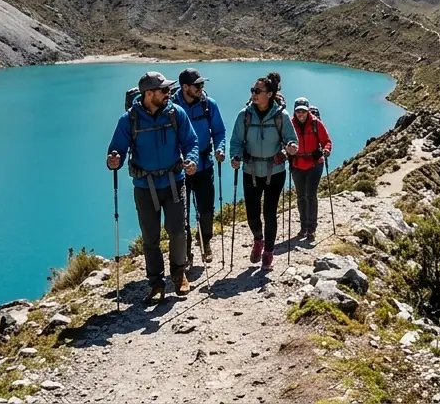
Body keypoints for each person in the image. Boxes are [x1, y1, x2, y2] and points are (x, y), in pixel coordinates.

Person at [107, 71, 200, 301]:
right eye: (165, 90)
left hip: (173, 181)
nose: (170, 94)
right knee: (150, 237)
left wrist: (192, 160)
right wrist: (113, 160)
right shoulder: (129, 120)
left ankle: (179, 276)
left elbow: (191, 141)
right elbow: (116, 148)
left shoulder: (175, 114)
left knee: (178, 231)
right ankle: (156, 282)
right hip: (144, 185)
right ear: (149, 94)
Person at [229, 74, 297, 268]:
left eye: (258, 91)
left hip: (274, 171)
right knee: (252, 213)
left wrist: (288, 149)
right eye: (253, 90)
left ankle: (268, 250)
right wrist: (236, 156)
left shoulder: (281, 116)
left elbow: (291, 139)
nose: (254, 94)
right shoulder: (245, 115)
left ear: (269, 94)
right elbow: (236, 141)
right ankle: (258, 239)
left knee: (270, 212)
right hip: (250, 170)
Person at [173, 68, 226, 264]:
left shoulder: (208, 105)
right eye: (198, 85)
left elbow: (219, 131)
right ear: (185, 87)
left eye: (202, 84)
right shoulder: (172, 107)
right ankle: (186, 251)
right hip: (180, 169)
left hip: (204, 165)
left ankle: (205, 242)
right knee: (182, 213)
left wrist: (220, 149)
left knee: (206, 209)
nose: (201, 88)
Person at [288, 97, 332, 246]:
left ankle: (311, 228)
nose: (301, 114)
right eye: (298, 111)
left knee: (310, 195)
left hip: (314, 164)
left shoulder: (316, 124)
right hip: (297, 164)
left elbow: (326, 141)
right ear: (295, 111)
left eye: (303, 111)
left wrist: (326, 150)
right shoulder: (289, 124)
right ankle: (303, 226)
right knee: (301, 196)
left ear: (308, 111)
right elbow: (283, 141)